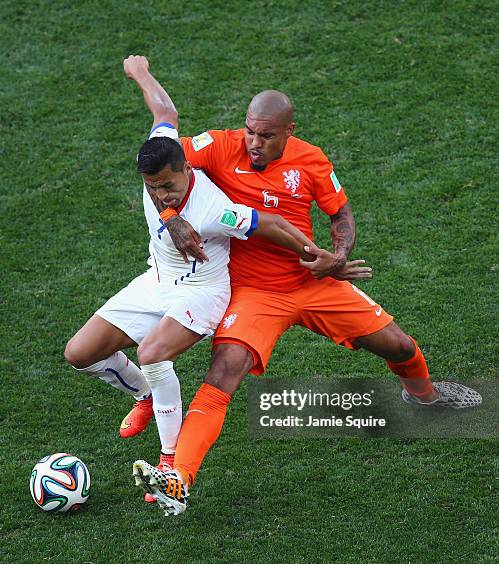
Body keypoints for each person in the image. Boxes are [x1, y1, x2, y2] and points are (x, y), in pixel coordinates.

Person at [124, 55, 481, 516]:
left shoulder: (311, 161)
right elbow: (160, 168)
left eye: (266, 135)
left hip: (312, 281)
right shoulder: (219, 146)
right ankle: (179, 478)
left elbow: (342, 216)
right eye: (250, 131)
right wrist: (172, 217)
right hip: (253, 293)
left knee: (398, 345)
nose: (253, 142)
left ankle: (424, 396)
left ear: (289, 131)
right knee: (223, 372)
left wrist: (338, 256)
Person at [67, 57, 326, 512]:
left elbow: (269, 223)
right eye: (151, 188)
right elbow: (165, 112)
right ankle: (145, 394)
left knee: (151, 354)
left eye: (167, 186)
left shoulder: (213, 209)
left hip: (202, 292)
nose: (160, 194)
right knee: (80, 354)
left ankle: (170, 462)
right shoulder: (160, 156)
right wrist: (141, 73)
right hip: (157, 281)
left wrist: (316, 254)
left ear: (187, 169)